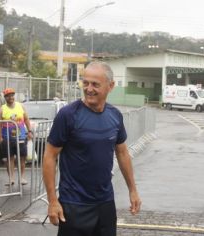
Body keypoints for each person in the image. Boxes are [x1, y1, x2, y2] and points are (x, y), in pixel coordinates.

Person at [43, 61, 141, 236]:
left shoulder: (115, 116)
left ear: (110, 86)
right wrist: (52, 201)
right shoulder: (68, 115)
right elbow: (50, 156)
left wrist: (132, 190)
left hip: (105, 204)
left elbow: (122, 152)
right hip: (74, 205)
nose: (89, 89)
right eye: (85, 82)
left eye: (95, 84)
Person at [0, 88, 33, 185]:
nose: (10, 97)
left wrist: (29, 131)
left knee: (22, 158)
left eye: (12, 95)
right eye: (8, 96)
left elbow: (26, 119)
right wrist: (0, 137)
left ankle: (21, 178)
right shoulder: (2, 109)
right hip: (7, 138)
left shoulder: (21, 106)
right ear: (5, 97)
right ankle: (11, 178)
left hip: (21, 137)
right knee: (10, 158)